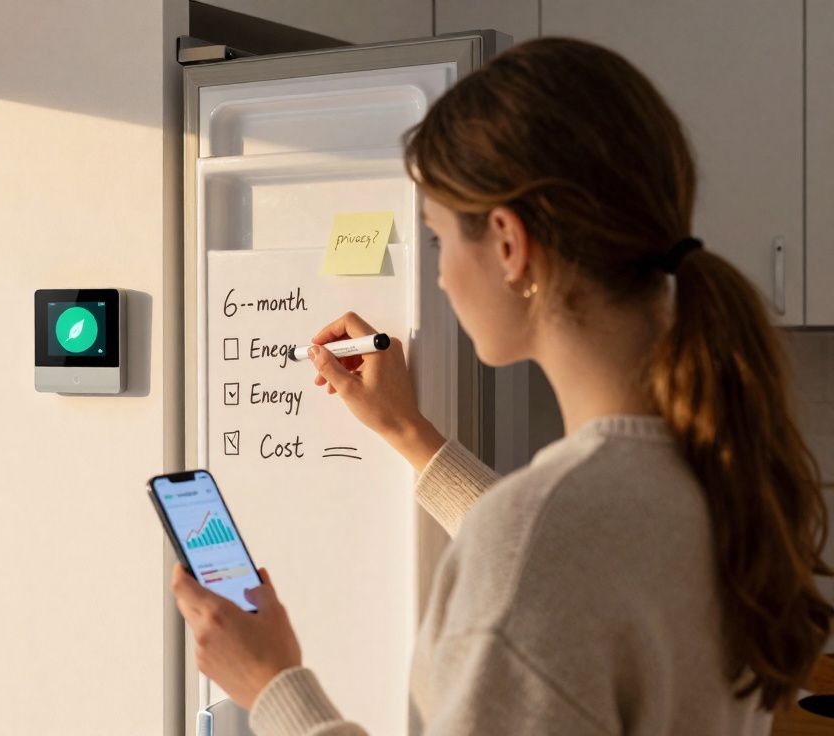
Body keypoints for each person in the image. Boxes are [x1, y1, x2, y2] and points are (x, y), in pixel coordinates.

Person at [170, 37, 832, 735]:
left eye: (437, 241)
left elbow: (542, 559)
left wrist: (273, 685)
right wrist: (408, 434)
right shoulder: (719, 470)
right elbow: (574, 566)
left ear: (510, 246)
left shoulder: (536, 540)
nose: (442, 277)